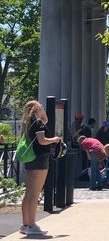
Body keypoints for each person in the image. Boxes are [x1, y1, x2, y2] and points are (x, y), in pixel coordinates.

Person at [20, 100, 62, 236]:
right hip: (40, 159)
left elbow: (46, 120)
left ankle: (26, 223)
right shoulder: (37, 123)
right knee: (35, 193)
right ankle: (31, 225)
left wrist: (42, 113)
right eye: (41, 106)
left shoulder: (28, 124)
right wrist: (55, 139)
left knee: (29, 192)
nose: (43, 108)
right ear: (36, 108)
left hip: (31, 159)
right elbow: (42, 140)